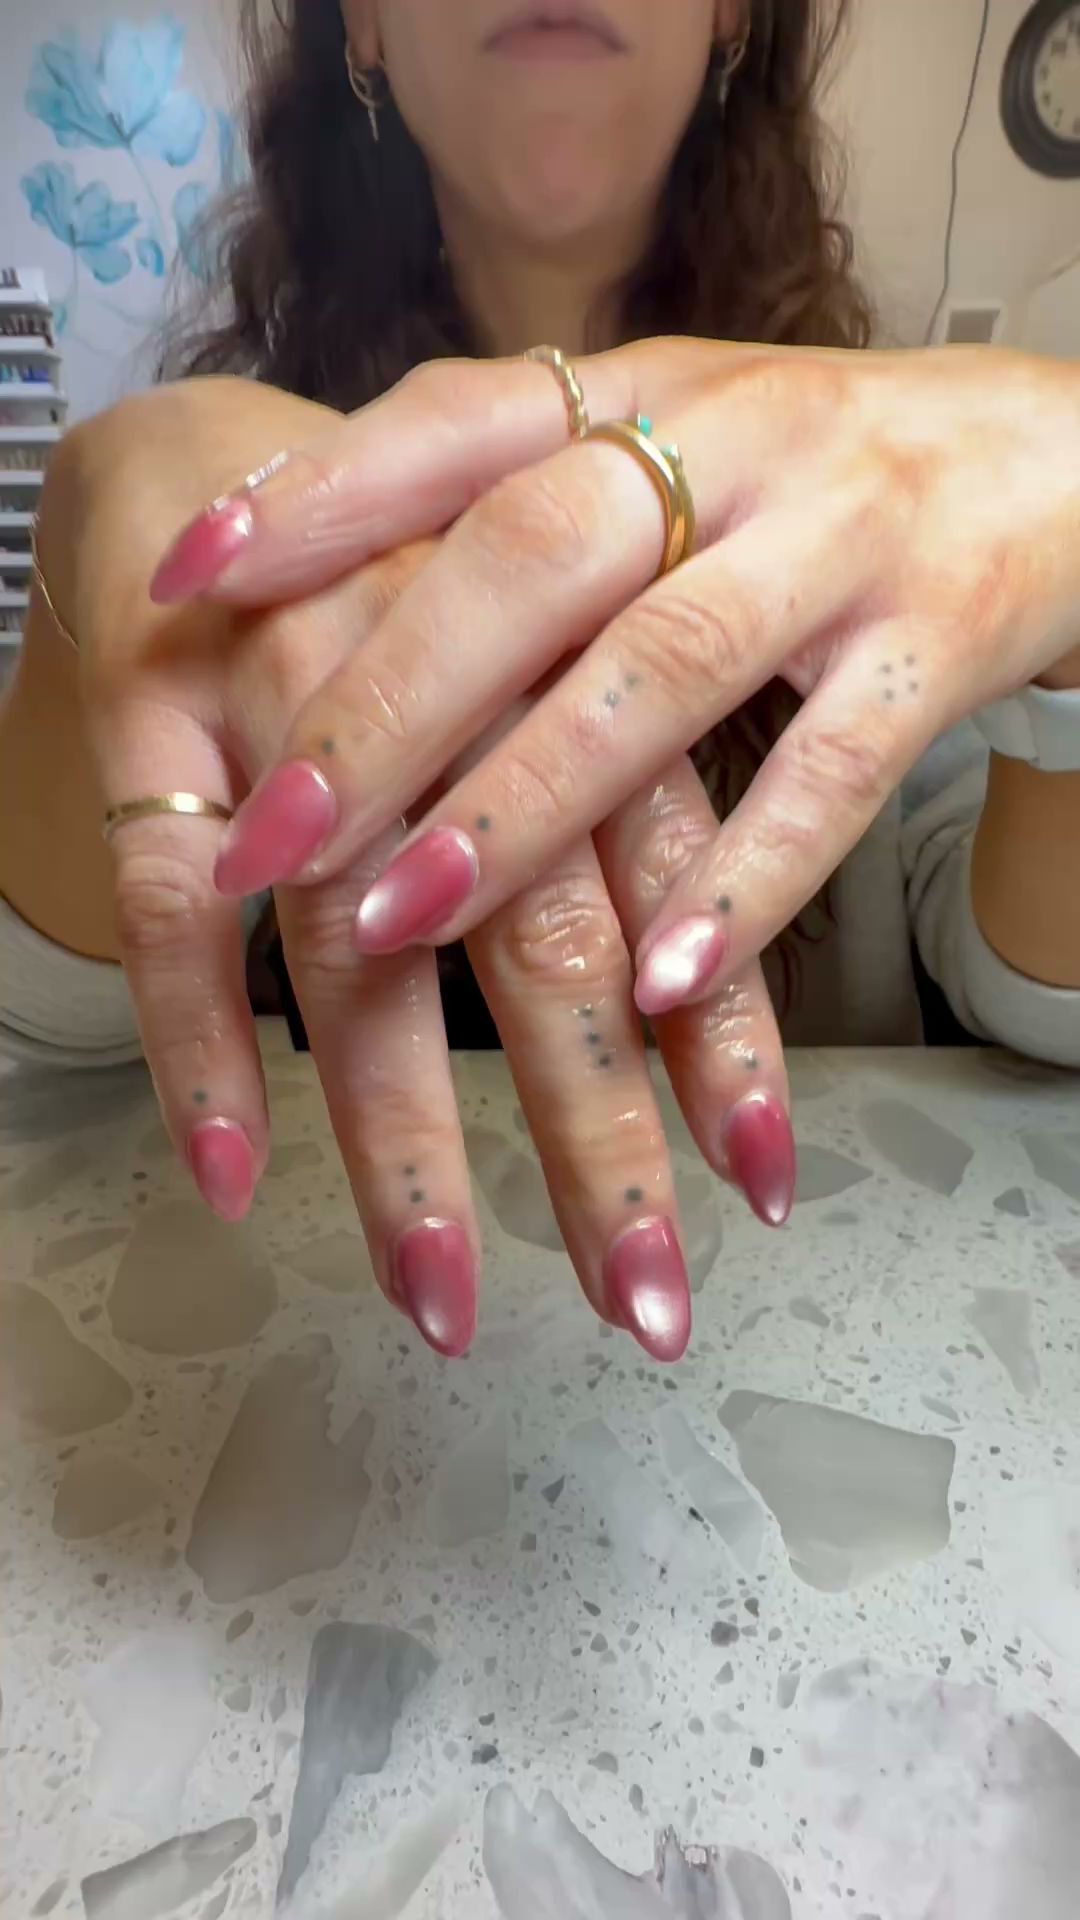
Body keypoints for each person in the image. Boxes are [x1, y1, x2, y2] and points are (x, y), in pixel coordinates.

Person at [2, 0, 1078, 1367]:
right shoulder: (244, 505)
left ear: (731, 15)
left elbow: (1041, 1007)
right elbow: (57, 1042)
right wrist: (87, 539)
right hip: (293, 1371)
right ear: (365, 27)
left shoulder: (897, 465)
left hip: (846, 1353)